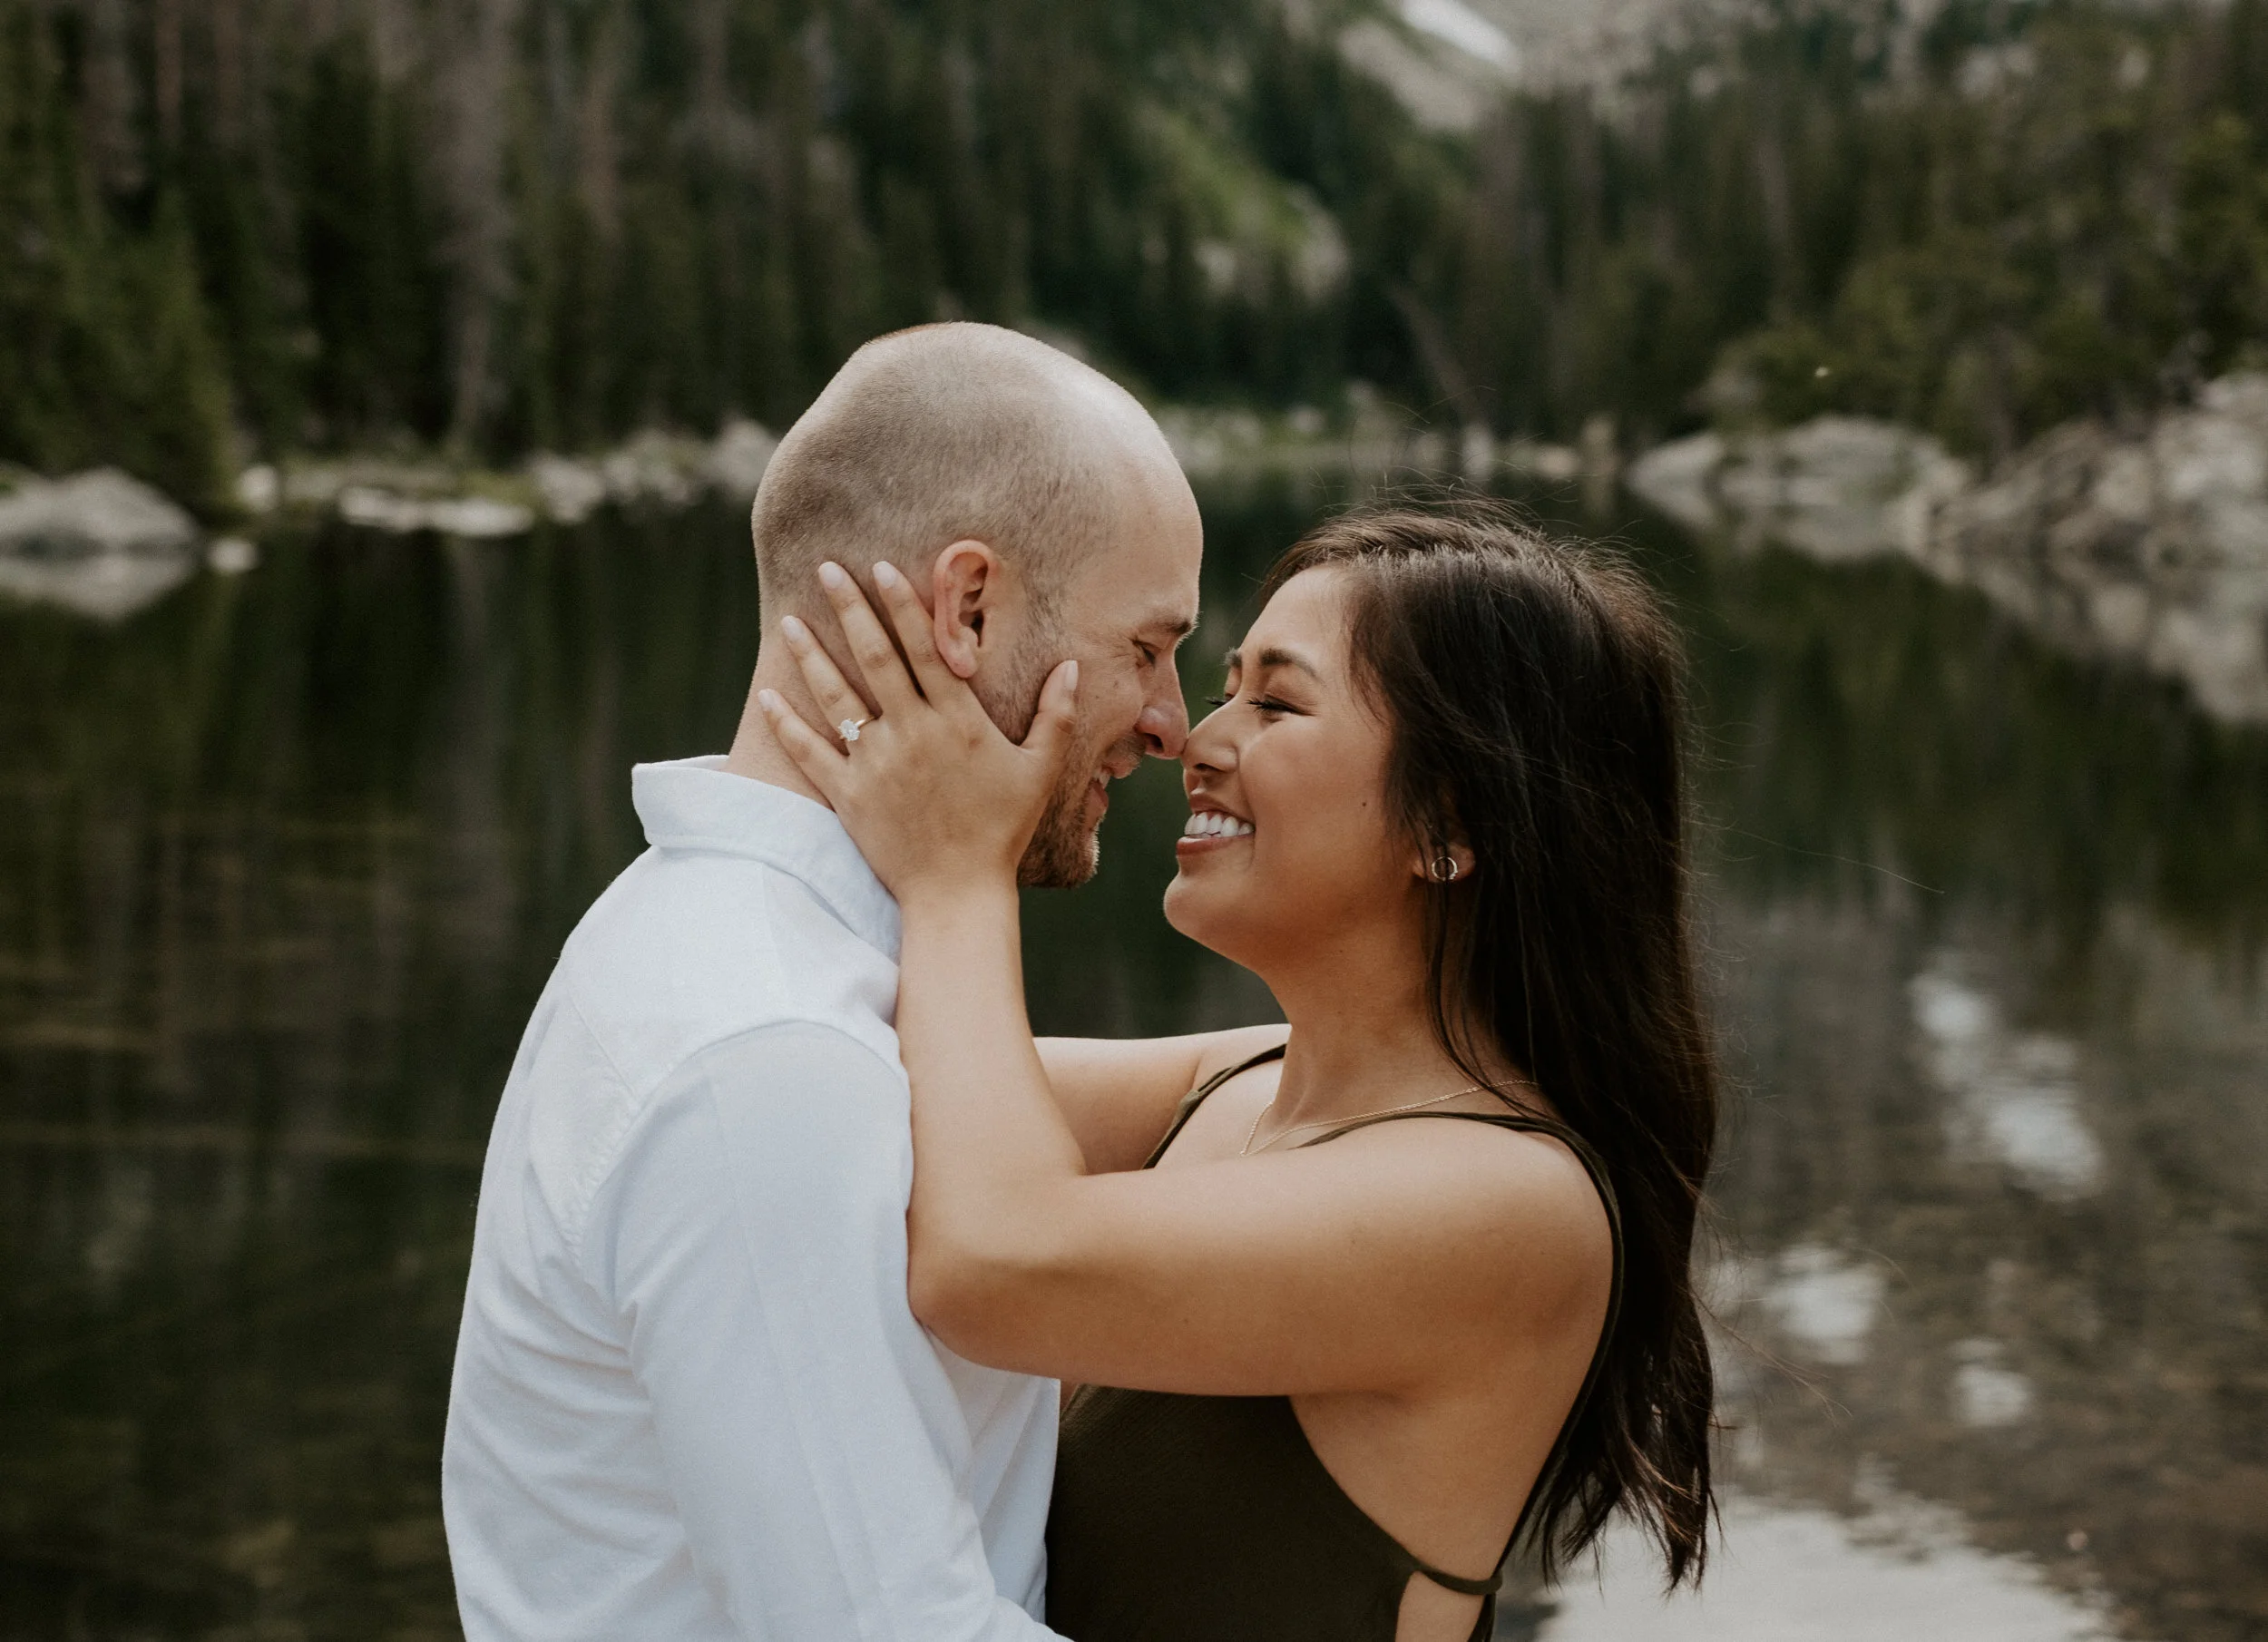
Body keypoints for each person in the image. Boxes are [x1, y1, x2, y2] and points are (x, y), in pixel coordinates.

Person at [759, 503, 1719, 1641]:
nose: (1199, 738)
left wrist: (960, 870)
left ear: (1448, 823)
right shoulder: (1237, 1082)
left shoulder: (1514, 1209)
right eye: (1223, 686)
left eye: (1276, 702)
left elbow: (991, 1262)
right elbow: (824, 1089)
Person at [440, 322, 1202, 1641]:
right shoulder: (764, 1056)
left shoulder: (739, 944)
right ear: (972, 607)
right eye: (1148, 645)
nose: (1169, 720)